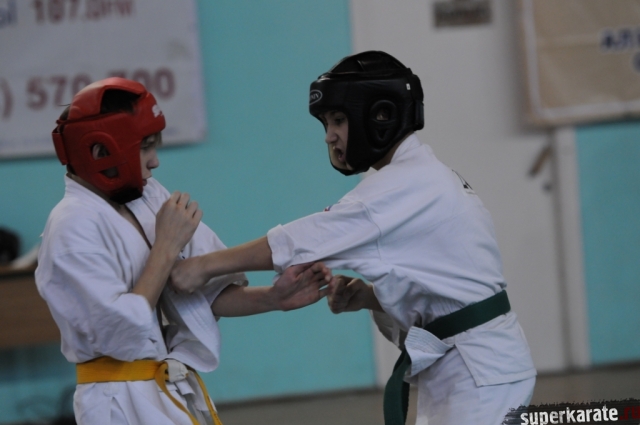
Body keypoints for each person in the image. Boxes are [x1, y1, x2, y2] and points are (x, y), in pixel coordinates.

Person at [170, 51, 537, 425]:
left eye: (339, 120)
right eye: (327, 123)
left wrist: (204, 266)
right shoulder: (424, 176)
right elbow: (448, 284)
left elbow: (302, 240)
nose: (329, 135)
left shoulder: (403, 185)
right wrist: (369, 297)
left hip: (479, 375)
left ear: (381, 115)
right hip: (480, 366)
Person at [35, 77, 331, 425]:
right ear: (100, 150)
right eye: (145, 147)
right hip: (116, 402)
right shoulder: (72, 225)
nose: (155, 162)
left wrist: (273, 298)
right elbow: (118, 334)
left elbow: (200, 291)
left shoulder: (147, 197)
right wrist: (164, 248)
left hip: (163, 391)